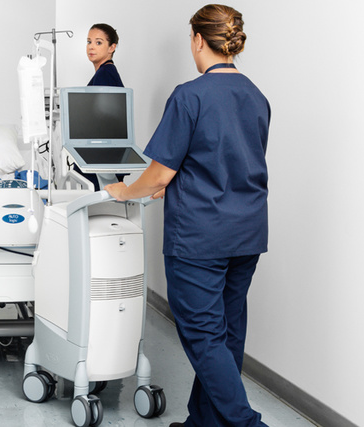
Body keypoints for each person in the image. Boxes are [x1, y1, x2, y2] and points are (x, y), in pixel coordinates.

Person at [105, 5, 271, 427]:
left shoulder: (190, 95)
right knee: (227, 335)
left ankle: (249, 425)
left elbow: (161, 170)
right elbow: (226, 161)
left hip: (199, 237)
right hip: (246, 233)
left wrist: (126, 189)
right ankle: (203, 422)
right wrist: (172, 180)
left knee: (204, 338)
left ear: (198, 40)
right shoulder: (256, 96)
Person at [75, 23, 125, 190]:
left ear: (112, 47)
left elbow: (103, 119)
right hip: (101, 155)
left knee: (100, 207)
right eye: (89, 42)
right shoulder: (104, 73)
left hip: (101, 157)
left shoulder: (105, 74)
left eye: (98, 42)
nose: (91, 47)